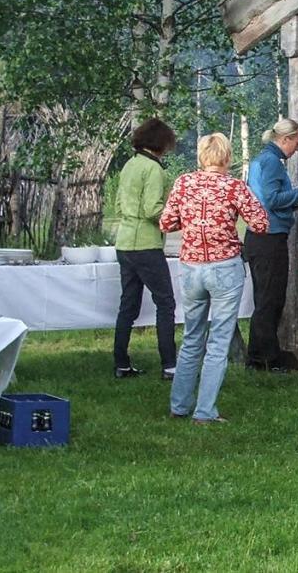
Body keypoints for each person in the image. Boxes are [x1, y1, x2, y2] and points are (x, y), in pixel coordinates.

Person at [159, 133, 269, 424]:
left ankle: (179, 406)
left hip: (191, 266)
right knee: (219, 341)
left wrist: (193, 222)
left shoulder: (183, 183)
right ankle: (205, 412)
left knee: (192, 337)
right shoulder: (234, 186)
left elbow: (166, 222)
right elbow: (260, 222)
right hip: (224, 267)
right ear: (227, 158)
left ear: (201, 157)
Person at [244, 117, 298, 371]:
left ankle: (257, 356)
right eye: (297, 142)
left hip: (257, 237)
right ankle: (267, 359)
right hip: (270, 237)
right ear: (285, 139)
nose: (297, 148)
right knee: (271, 300)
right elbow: (272, 199)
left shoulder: (259, 161)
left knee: (264, 298)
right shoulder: (273, 163)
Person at [113, 117, 178, 380]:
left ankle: (121, 363)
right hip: (146, 245)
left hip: (125, 242)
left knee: (127, 305)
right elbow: (152, 209)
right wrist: (176, 217)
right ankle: (170, 365)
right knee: (166, 303)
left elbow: (119, 205)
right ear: (162, 143)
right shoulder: (154, 169)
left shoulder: (129, 165)